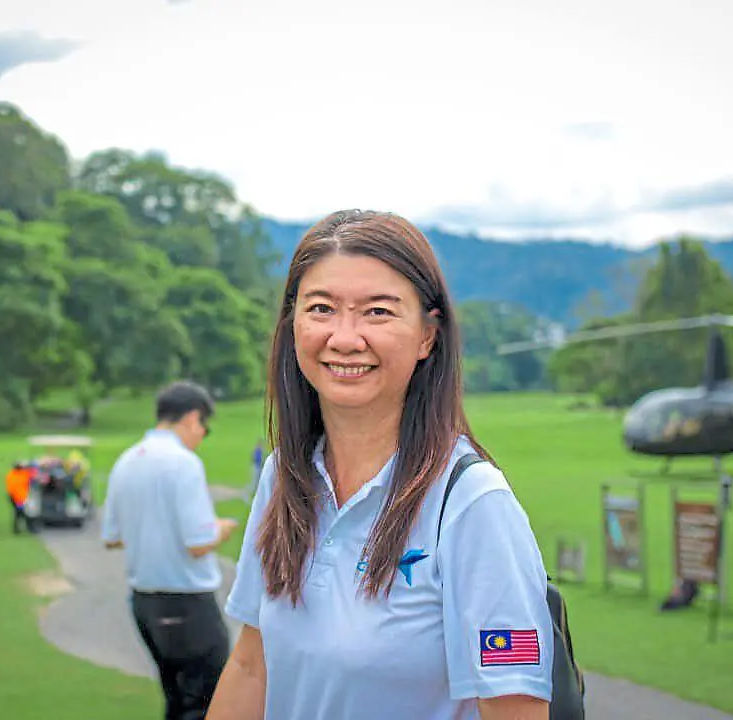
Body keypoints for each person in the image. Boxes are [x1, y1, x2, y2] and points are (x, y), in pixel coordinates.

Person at [208, 210, 554, 719]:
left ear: (428, 335)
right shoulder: (285, 475)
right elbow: (252, 665)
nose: (345, 338)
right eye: (321, 308)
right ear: (292, 324)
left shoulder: (472, 503)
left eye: (377, 312)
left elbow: (515, 709)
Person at [101, 380, 239, 720]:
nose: (202, 435)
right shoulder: (183, 463)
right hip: (186, 602)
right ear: (192, 418)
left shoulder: (127, 460)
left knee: (176, 699)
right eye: (204, 427)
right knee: (207, 703)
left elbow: (112, 537)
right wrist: (223, 528)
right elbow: (198, 542)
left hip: (144, 603)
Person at [5, 461, 37, 534]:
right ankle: (29, 528)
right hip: (17, 499)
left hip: (20, 498)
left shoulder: (15, 474)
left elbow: (31, 476)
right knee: (24, 513)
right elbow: (13, 490)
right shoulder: (18, 475)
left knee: (19, 514)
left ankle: (17, 529)